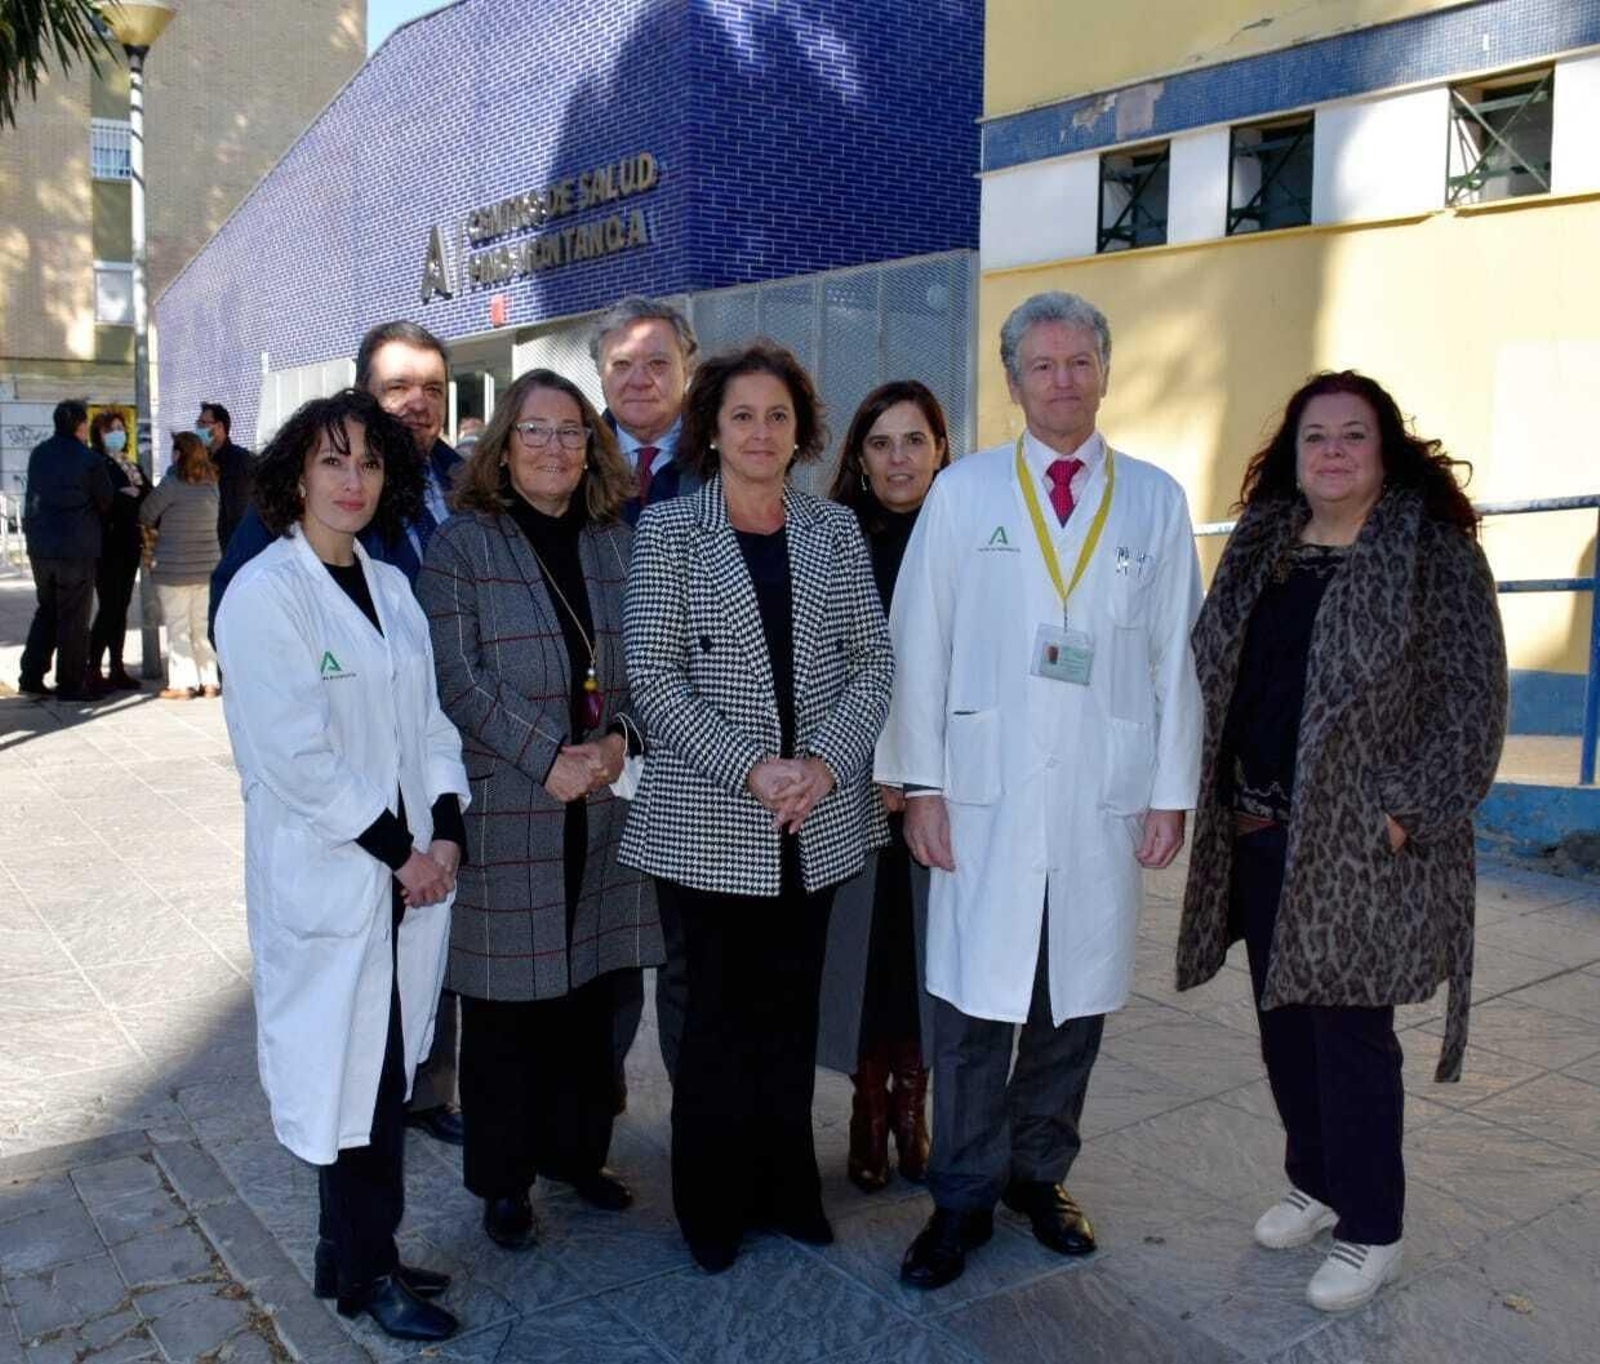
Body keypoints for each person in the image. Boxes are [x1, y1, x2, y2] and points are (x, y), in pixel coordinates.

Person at [877, 291, 1203, 1290]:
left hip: (1098, 794)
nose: (1062, 380)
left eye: (1079, 363)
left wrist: (1169, 790)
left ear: (1104, 372)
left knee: (1072, 1006)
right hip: (982, 793)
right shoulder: (965, 492)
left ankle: (1038, 1174)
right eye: (1042, 366)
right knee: (973, 1010)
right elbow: (915, 642)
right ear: (1012, 380)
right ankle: (961, 1195)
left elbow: (1176, 659)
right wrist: (919, 783)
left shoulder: (1151, 498)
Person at [1175, 371, 1507, 1313]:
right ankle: (1316, 1181)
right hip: (1258, 822)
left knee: (1348, 1032)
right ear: (1292, 452)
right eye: (1314, 436)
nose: (1331, 452)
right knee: (1283, 1018)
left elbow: (1473, 704)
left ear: (1384, 448)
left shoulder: (1432, 556)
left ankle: (1372, 1225)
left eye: (1352, 436)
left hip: (1361, 842)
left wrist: (1403, 813)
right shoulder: (1264, 546)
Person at [620, 340, 895, 1273]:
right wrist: (752, 768)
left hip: (814, 820)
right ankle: (711, 1203)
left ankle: (788, 1187)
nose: (761, 432)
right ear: (713, 428)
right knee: (715, 1026)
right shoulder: (668, 533)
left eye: (778, 415)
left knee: (790, 1016)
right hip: (710, 818)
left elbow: (874, 663)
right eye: (742, 415)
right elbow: (652, 679)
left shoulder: (833, 531)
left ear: (802, 430)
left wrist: (820, 763)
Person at [214, 389, 466, 1344]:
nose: (353, 480)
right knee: (350, 1086)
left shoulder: (392, 588)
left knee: (381, 1071)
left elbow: (431, 724)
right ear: (296, 476)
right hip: (336, 877)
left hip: (404, 876)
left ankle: (346, 1256)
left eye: (368, 462)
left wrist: (445, 829)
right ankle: (371, 1273)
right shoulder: (265, 595)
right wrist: (405, 854)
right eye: (333, 461)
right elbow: (297, 757)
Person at [417, 369, 662, 1250]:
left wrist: (618, 743)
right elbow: (457, 678)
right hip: (511, 808)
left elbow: (652, 666)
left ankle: (576, 1155)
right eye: (535, 431)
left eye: (571, 433)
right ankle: (504, 1182)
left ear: (592, 448)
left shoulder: (614, 542)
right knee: (507, 1015)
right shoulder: (462, 546)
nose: (555, 448)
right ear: (502, 445)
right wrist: (541, 757)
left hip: (602, 808)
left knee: (593, 1004)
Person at [817, 381, 951, 1192]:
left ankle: (914, 1107)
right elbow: (825, 665)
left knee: (930, 952)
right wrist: (872, 765)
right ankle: (869, 1108)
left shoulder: (970, 533)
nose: (899, 458)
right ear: (859, 460)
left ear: (942, 447)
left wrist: (926, 770)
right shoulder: (835, 538)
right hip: (855, 782)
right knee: (866, 954)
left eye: (915, 440)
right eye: (881, 443)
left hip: (944, 785)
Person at [589, 296, 701, 1107]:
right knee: (605, 947)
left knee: (691, 951)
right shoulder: (560, 451)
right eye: (622, 363)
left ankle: (702, 1138)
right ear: (599, 372)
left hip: (700, 744)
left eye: (657, 362)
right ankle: (590, 1120)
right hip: (595, 740)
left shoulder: (728, 454)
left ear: (687, 371)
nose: (639, 378)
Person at [18, 399, 113, 701]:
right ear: (81, 425)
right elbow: (106, 502)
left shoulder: (39, 454)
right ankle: (70, 684)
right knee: (74, 617)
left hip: (40, 548)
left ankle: (31, 676)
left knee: (47, 609)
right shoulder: (90, 460)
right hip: (76, 548)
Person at [139, 434, 223, 700]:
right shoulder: (212, 484)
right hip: (208, 566)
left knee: (178, 627)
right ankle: (210, 681)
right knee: (201, 625)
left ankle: (183, 684)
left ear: (178, 454)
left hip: (174, 568)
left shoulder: (172, 483)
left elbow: (146, 512)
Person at [87, 410, 148, 693]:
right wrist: (128, 499)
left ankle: (117, 666)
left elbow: (147, 496)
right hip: (107, 547)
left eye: (121, 428)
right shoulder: (97, 464)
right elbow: (107, 502)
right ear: (98, 435)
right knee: (108, 607)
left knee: (120, 608)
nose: (117, 433)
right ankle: (93, 668)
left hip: (129, 545)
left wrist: (132, 497)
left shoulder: (130, 465)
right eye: (110, 429)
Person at [196, 402, 253, 553]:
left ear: (220, 427)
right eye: (197, 423)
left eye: (203, 424)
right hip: (204, 544)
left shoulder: (239, 459)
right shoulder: (200, 461)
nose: (198, 429)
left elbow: (240, 506)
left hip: (230, 543)